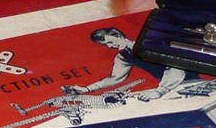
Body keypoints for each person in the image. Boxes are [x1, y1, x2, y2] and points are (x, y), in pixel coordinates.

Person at [62, 27, 195, 101]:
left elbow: (176, 68)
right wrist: (87, 89)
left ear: (119, 36)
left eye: (110, 42)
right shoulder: (123, 56)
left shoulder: (147, 44)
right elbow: (115, 78)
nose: (110, 46)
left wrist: (160, 91)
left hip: (191, 83)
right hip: (172, 87)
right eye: (106, 45)